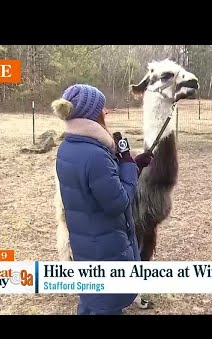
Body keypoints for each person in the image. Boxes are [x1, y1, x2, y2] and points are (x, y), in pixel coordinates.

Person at [52, 84, 153, 315]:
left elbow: (97, 185)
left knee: (90, 304)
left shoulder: (68, 148)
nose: (106, 111)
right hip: (106, 252)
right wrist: (127, 167)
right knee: (106, 306)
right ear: (92, 114)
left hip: (87, 248)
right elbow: (118, 202)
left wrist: (133, 165)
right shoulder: (96, 155)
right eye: (102, 107)